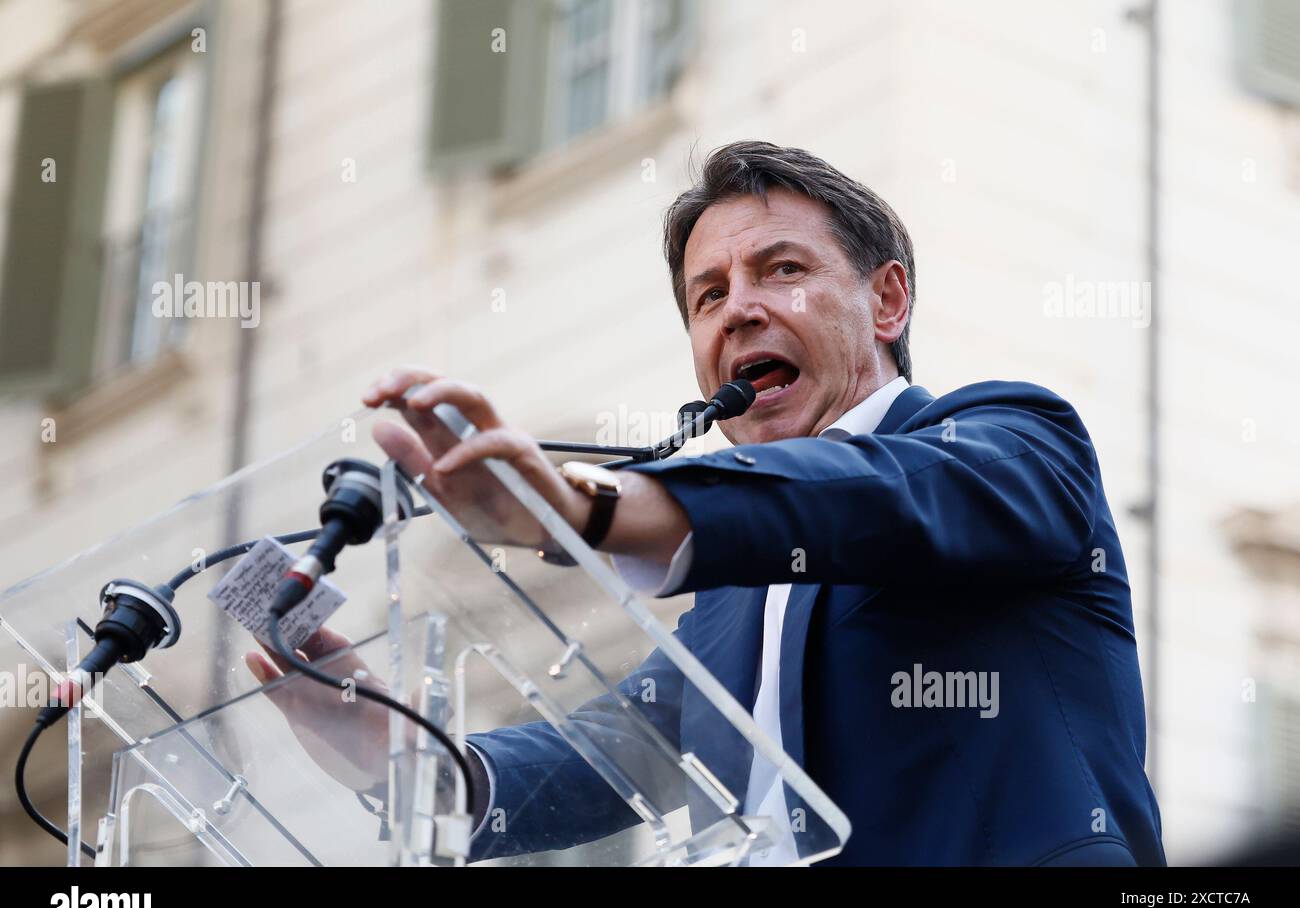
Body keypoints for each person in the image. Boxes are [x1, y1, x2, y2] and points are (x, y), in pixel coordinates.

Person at [247, 141, 1165, 866]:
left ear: (887, 301)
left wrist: (589, 506)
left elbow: (871, 500)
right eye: (708, 295)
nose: (738, 311)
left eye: (782, 270)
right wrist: (407, 757)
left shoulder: (1012, 439)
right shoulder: (729, 597)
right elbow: (615, 753)